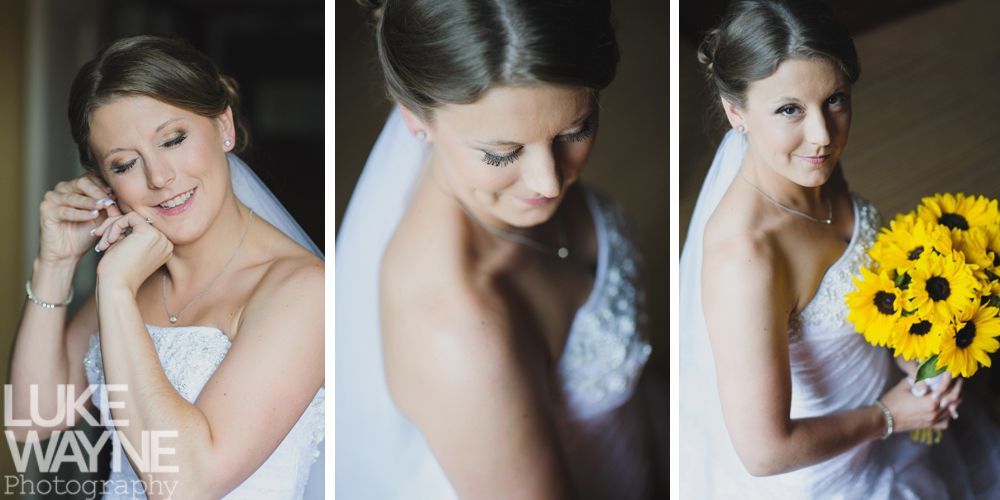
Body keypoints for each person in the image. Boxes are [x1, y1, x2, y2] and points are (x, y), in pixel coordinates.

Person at [336, 0, 662, 498]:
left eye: (575, 130)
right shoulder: (453, 328)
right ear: (415, 117)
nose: (549, 182)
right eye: (502, 153)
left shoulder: (525, 189)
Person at [679, 0, 1000, 498]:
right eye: (789, 109)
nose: (823, 136)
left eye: (835, 99)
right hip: (827, 470)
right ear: (734, 111)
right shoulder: (744, 259)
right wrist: (891, 414)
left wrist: (915, 356)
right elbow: (765, 453)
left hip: (883, 395)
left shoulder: (812, 164)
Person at [7, 35, 325, 499]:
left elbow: (184, 485)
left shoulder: (302, 291)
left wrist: (114, 288)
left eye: (173, 140)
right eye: (124, 164)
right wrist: (54, 262)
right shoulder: (134, 277)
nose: (159, 178)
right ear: (103, 182)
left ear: (224, 127)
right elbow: (30, 420)